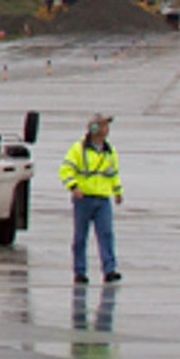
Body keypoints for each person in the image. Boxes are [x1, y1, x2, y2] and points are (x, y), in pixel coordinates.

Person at [61, 114, 123, 284]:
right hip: (84, 199)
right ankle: (79, 271)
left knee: (106, 234)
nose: (106, 130)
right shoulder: (78, 149)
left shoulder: (109, 151)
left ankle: (109, 269)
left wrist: (117, 191)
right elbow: (66, 170)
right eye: (103, 126)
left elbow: (113, 173)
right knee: (80, 237)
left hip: (103, 198)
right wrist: (73, 187)